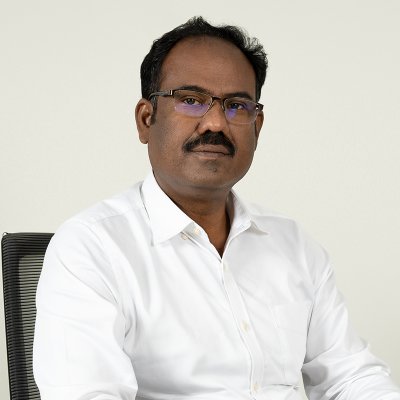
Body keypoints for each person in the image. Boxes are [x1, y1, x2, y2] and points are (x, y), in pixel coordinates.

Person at [33, 16, 400, 400]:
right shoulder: (92, 248)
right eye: (191, 100)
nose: (216, 123)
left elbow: (350, 377)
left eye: (236, 106)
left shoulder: (293, 245)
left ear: (257, 127)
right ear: (146, 119)